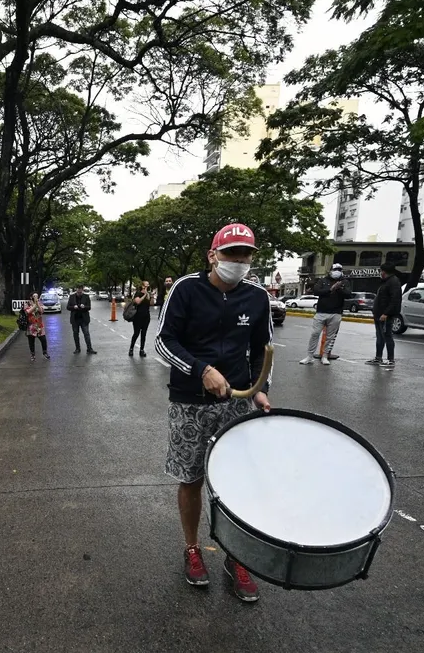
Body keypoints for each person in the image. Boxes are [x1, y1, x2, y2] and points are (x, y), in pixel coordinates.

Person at [156, 223, 272, 603]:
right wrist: (201, 370)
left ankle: (236, 555)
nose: (237, 262)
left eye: (245, 255)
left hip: (236, 401)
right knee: (190, 478)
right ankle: (192, 548)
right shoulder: (186, 289)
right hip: (190, 401)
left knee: (236, 481)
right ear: (212, 255)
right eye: (230, 254)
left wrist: (261, 391)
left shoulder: (257, 298)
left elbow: (261, 350)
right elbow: (163, 341)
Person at [299, 263, 352, 366]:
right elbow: (316, 291)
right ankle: (309, 356)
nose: (337, 271)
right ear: (330, 270)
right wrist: (331, 289)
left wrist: (339, 288)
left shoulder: (344, 282)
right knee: (315, 334)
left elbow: (348, 294)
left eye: (339, 269)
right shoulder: (323, 280)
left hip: (336, 313)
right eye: (335, 269)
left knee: (330, 337)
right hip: (321, 312)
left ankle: (325, 356)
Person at [367, 262, 402, 368]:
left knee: (387, 336)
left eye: (381, 270)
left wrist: (386, 313)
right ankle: (378, 357)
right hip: (378, 314)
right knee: (380, 337)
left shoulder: (393, 282)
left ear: (384, 271)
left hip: (385, 315)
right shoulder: (385, 282)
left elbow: (395, 300)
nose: (380, 272)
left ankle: (391, 359)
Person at [67, 284, 96, 354]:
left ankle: (89, 349)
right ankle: (77, 349)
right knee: (75, 334)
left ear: (82, 289)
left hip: (84, 319)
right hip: (75, 319)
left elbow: (89, 307)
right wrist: (74, 307)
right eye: (78, 289)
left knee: (86, 334)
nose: (79, 290)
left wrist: (84, 307)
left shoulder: (86, 296)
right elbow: (68, 307)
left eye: (81, 289)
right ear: (76, 289)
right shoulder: (72, 297)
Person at [23, 293, 50, 362]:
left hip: (39, 324)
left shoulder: (39, 303)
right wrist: (35, 305)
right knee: (31, 341)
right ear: (31, 296)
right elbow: (27, 312)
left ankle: (45, 352)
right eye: (34, 296)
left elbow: (41, 311)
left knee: (43, 339)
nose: (36, 297)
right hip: (31, 325)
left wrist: (37, 303)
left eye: (37, 296)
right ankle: (33, 355)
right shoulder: (27, 303)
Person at [129, 280, 152, 357]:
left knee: (144, 334)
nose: (147, 286)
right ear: (142, 286)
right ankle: (131, 348)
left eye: (148, 285)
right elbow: (138, 302)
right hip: (138, 317)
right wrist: (144, 295)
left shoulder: (148, 294)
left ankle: (141, 350)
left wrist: (148, 295)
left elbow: (151, 303)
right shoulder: (138, 293)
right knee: (136, 333)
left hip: (146, 317)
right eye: (146, 285)